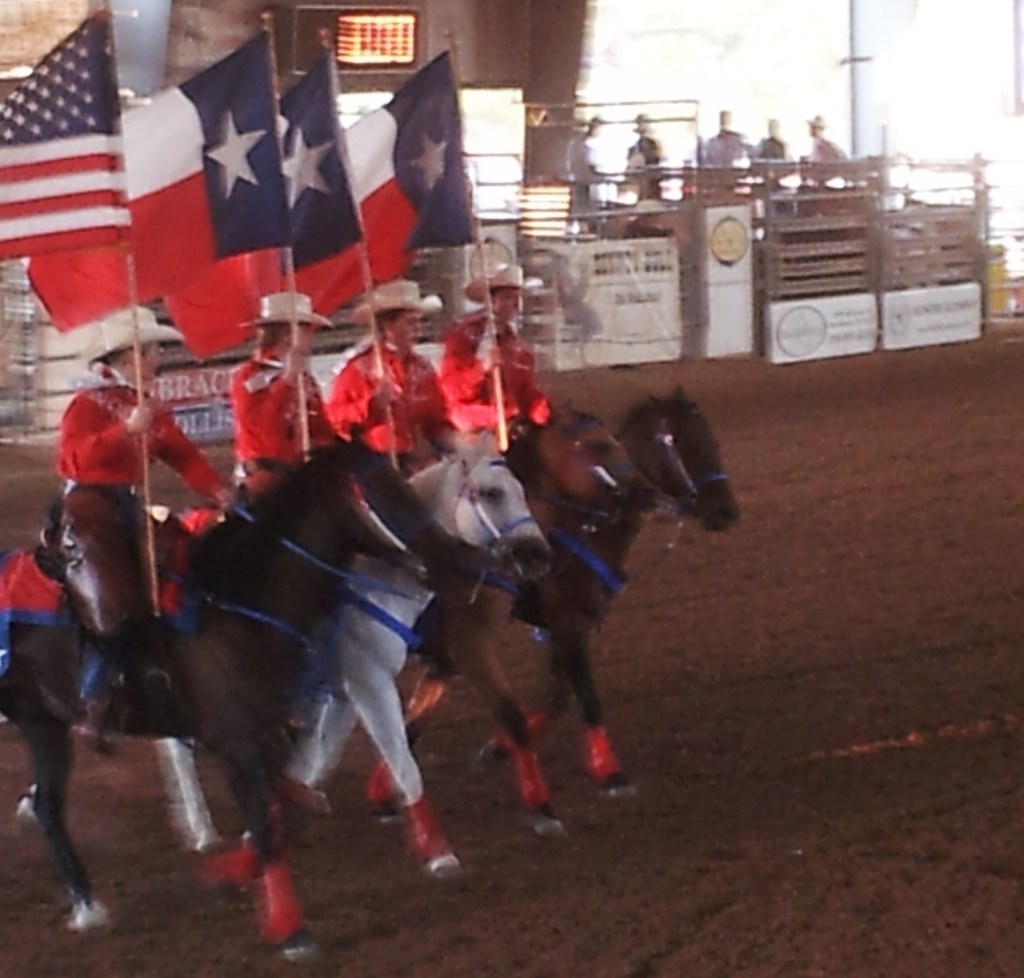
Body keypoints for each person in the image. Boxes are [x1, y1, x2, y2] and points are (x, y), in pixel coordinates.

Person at [56, 306, 231, 747]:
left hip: (130, 503)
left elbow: (182, 455)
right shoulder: (87, 402)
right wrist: (124, 432)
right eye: (151, 350)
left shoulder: (148, 405)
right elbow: (72, 460)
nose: (157, 357)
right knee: (111, 600)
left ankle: (162, 675)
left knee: (177, 570)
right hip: (89, 504)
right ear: (125, 356)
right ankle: (92, 695)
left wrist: (216, 490)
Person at [327, 279, 455, 474]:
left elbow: (438, 418)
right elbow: (335, 416)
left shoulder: (423, 368)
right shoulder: (359, 368)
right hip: (376, 464)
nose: (417, 329)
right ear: (388, 326)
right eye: (409, 322)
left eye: (417, 322)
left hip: (423, 461)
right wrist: (371, 405)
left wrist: (457, 442)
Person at [230, 290, 336, 500]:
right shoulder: (249, 376)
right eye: (306, 330)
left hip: (300, 476)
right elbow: (264, 427)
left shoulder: (305, 380)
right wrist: (288, 380)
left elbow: (322, 429)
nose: (310, 337)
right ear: (287, 333)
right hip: (264, 482)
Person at [439, 263, 552, 433]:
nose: (515, 304)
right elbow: (452, 390)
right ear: (490, 300)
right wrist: (482, 368)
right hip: (474, 425)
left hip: (510, 423)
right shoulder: (463, 335)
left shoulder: (520, 348)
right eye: (508, 297)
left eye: (518, 298)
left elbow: (527, 394)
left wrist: (543, 411)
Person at [565, 115, 602, 215]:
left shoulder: (587, 143)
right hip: (581, 179)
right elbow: (576, 160)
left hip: (586, 179)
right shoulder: (580, 142)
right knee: (580, 206)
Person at [625, 114, 663, 202]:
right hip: (641, 179)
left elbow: (656, 159)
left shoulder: (652, 144)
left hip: (650, 177)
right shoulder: (635, 146)